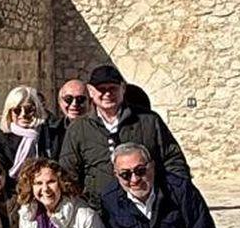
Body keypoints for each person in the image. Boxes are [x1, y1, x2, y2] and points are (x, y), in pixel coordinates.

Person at [59, 64, 189, 204]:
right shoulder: (78, 129)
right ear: (90, 91)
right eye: (101, 89)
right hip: (99, 209)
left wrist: (174, 193)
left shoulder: (149, 121)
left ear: (123, 88)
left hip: (148, 205)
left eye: (112, 88)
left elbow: (172, 159)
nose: (107, 94)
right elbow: (68, 173)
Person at [0, 86, 55, 179]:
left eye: (29, 109)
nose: (23, 114)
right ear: (9, 113)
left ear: (36, 110)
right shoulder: (0, 140)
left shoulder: (49, 135)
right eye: (17, 110)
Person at [48, 79, 89, 159]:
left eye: (80, 99)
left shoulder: (99, 130)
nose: (74, 104)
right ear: (60, 102)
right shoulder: (51, 131)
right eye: (68, 99)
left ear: (90, 102)